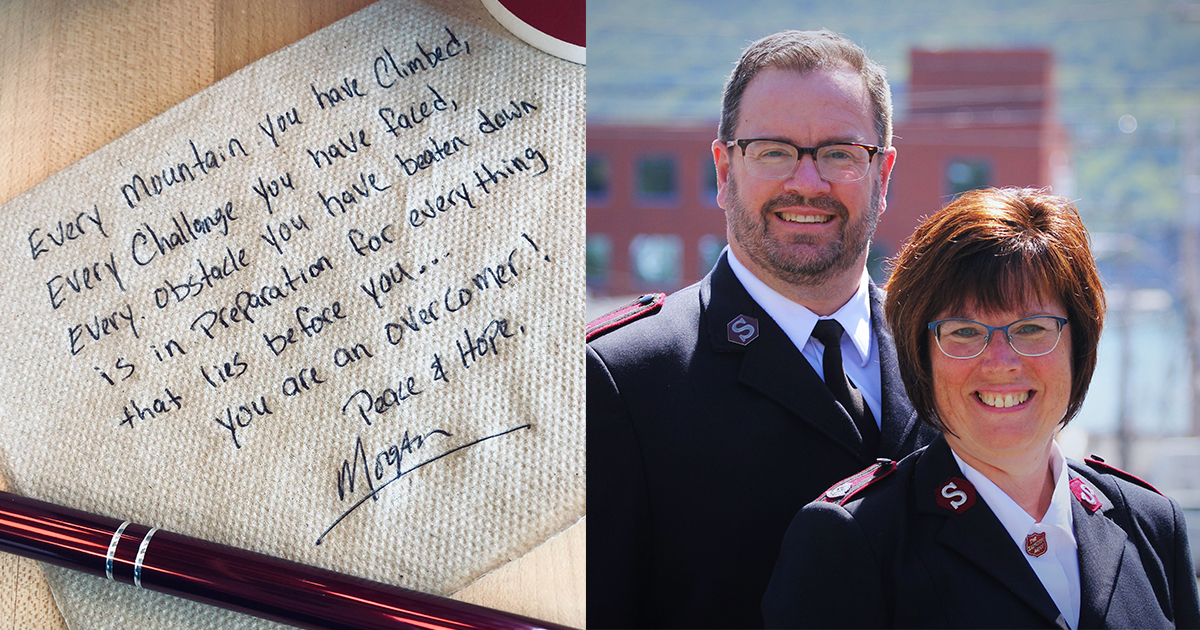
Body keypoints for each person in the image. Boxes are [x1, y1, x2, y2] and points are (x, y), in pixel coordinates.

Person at [587, 30, 936, 628]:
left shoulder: (943, 356)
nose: (807, 183)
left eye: (840, 153)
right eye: (774, 151)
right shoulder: (623, 377)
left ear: (882, 174)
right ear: (725, 169)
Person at [762, 187, 1200, 629]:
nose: (1001, 363)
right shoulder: (853, 540)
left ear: (1079, 346)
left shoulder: (1149, 523)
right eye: (964, 332)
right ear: (921, 357)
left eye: (1031, 328)